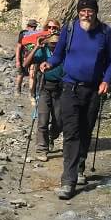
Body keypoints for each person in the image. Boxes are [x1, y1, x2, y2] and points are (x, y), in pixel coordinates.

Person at [40, 0, 111, 199]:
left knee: (85, 130)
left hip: (92, 90)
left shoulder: (105, 32)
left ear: (95, 12)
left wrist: (106, 80)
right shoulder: (70, 29)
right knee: (71, 132)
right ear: (78, 12)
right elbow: (59, 55)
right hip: (69, 88)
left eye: (90, 10)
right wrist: (50, 64)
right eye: (83, 10)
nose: (86, 14)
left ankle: (80, 166)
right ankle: (68, 180)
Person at [23, 20, 63, 162]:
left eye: (55, 28)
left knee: (59, 121)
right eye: (49, 27)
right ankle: (42, 148)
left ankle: (52, 136)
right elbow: (25, 64)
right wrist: (36, 47)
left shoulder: (65, 50)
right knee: (42, 120)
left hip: (61, 89)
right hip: (45, 88)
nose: (52, 30)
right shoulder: (43, 49)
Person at [14, 18, 38, 94]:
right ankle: (18, 89)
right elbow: (18, 47)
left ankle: (31, 93)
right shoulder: (23, 34)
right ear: (28, 26)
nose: (33, 28)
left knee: (32, 74)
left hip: (33, 57)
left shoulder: (37, 35)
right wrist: (17, 60)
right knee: (21, 74)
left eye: (34, 27)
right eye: (31, 26)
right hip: (23, 57)